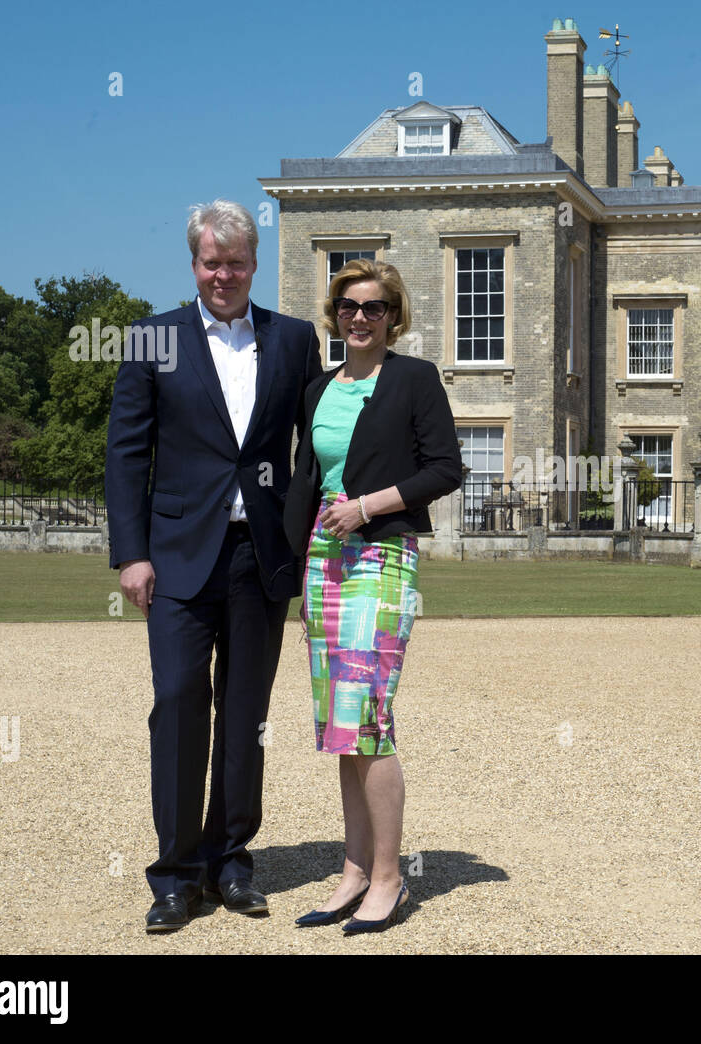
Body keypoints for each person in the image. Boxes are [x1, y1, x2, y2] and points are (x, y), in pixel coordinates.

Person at [106, 200, 324, 932]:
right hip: (174, 559)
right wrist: (131, 553)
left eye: (235, 262)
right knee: (176, 703)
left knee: (245, 716)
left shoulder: (293, 341)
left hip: (260, 558)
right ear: (193, 265)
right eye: (211, 262)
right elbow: (127, 454)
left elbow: (313, 458)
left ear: (254, 264)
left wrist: (301, 547)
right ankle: (174, 873)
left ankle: (231, 860)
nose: (223, 274)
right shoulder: (152, 340)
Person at [286, 259, 461, 935]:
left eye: (376, 307)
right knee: (340, 723)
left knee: (367, 712)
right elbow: (308, 476)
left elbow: (445, 467)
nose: (361, 317)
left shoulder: (413, 379)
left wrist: (366, 507)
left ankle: (390, 878)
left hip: (381, 553)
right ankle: (353, 870)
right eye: (350, 306)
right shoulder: (317, 389)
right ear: (335, 315)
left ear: (395, 316)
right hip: (324, 559)